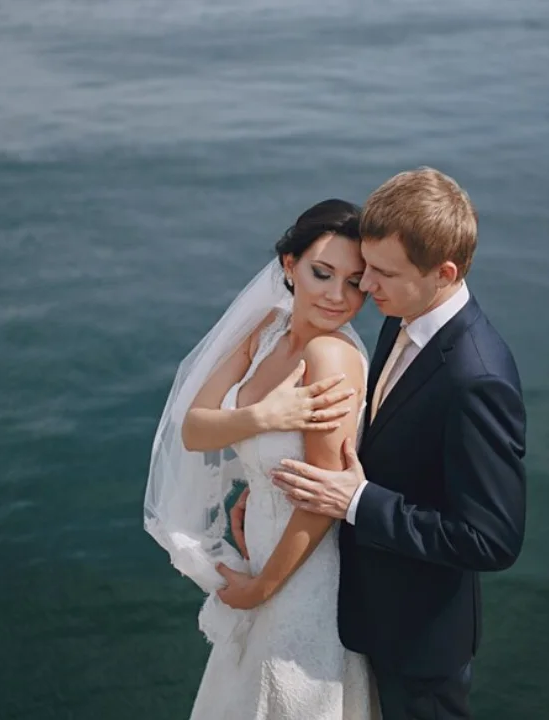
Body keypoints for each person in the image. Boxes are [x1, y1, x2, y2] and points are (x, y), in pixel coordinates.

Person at [269, 168, 528, 720]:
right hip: (367, 613)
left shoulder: (476, 378)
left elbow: (492, 539)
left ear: (445, 272)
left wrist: (358, 502)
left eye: (383, 274)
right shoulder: (403, 314)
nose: (364, 287)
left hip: (421, 641)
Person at [143, 199, 380, 719]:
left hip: (306, 576)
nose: (338, 295)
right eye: (323, 272)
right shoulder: (268, 331)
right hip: (261, 550)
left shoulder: (331, 356)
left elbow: (323, 499)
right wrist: (265, 419)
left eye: (357, 281)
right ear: (290, 266)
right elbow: (194, 428)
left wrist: (262, 590)